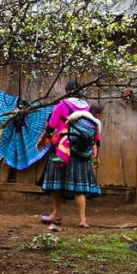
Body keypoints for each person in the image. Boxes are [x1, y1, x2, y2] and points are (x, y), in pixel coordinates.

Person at [38, 82, 101, 229]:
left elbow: (51, 125)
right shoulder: (88, 108)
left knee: (55, 184)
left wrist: (42, 139)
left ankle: (56, 214)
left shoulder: (62, 105)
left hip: (62, 148)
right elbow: (96, 133)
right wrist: (96, 152)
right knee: (79, 187)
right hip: (82, 152)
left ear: (67, 92)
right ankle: (82, 219)